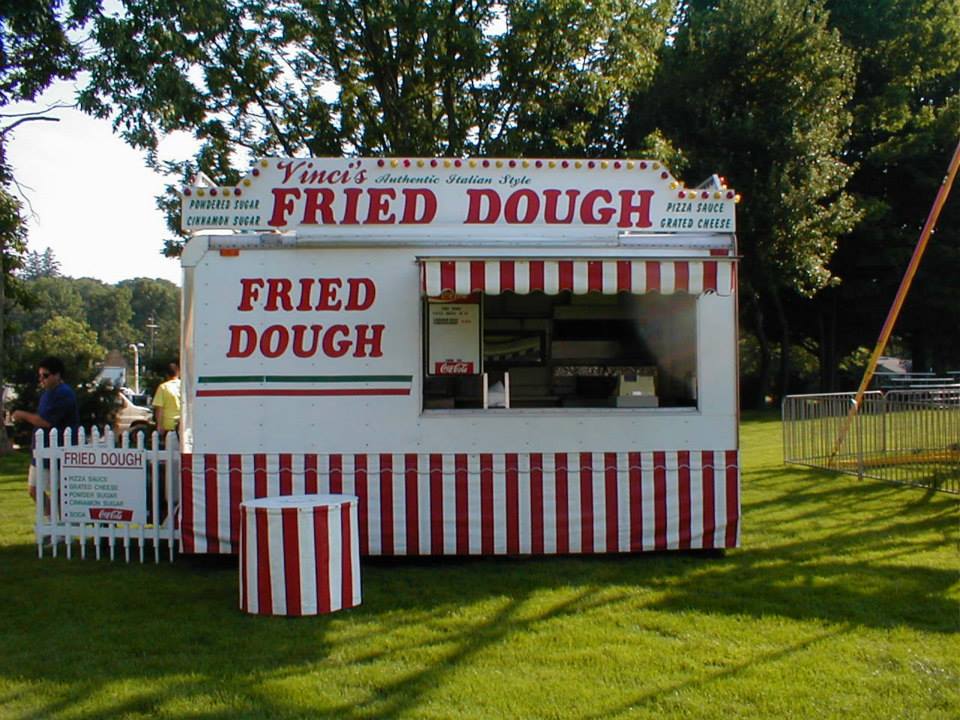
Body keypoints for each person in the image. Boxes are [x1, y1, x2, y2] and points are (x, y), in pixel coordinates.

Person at [12, 356, 80, 501]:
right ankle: (52, 519)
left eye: (46, 375)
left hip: (57, 452)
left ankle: (60, 521)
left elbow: (46, 422)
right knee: (34, 490)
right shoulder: (47, 394)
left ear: (57, 375)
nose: (41, 379)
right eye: (40, 376)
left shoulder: (63, 393)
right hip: (43, 452)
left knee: (61, 494)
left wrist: (22, 414)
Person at [152, 362, 181, 435]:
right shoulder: (184, 386)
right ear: (178, 373)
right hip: (182, 422)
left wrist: (159, 425)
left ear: (167, 375)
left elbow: (159, 408)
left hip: (168, 425)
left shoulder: (163, 387)